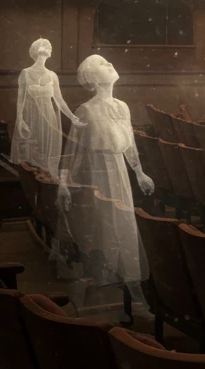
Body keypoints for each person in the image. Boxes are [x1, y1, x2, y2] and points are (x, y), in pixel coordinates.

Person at [57, 54, 153, 301]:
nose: (110, 64)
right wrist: (64, 183)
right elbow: (73, 152)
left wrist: (139, 172)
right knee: (105, 224)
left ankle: (131, 284)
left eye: (108, 61)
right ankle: (108, 282)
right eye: (101, 64)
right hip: (97, 173)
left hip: (119, 171)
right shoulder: (86, 110)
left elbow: (129, 144)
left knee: (125, 223)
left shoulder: (122, 106)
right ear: (92, 78)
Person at [10, 38, 82, 178]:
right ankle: (33, 181)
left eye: (49, 46)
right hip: (31, 117)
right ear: (35, 50)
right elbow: (20, 100)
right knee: (32, 153)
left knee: (47, 153)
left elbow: (60, 100)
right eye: (43, 45)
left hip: (49, 117)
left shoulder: (52, 76)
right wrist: (20, 120)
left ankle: (47, 182)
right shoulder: (25, 73)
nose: (47, 47)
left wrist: (73, 117)